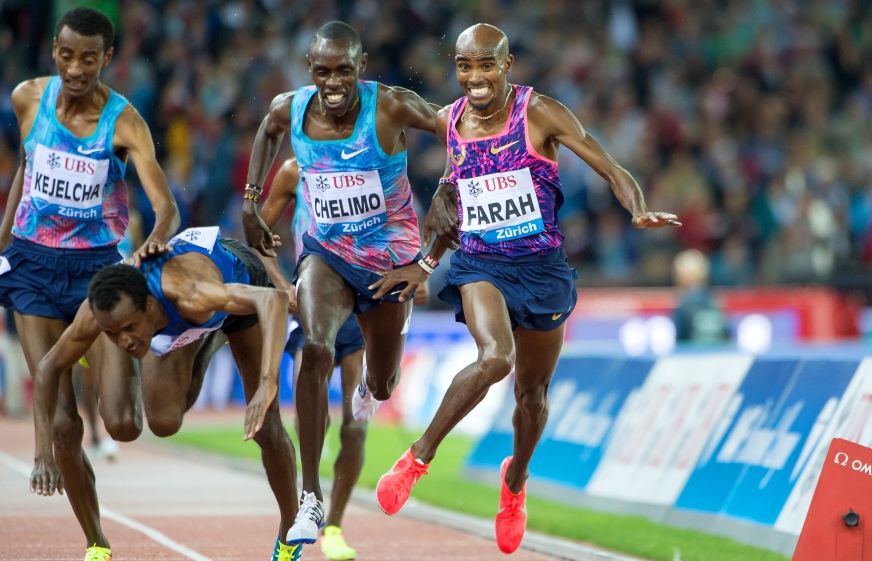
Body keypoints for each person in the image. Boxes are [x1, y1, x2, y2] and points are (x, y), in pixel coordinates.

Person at [372, 24, 681, 554]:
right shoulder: (450, 123)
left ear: (506, 65)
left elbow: (609, 166)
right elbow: (450, 209)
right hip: (481, 265)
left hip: (542, 271)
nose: (475, 77)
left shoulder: (539, 113)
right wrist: (426, 262)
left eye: (486, 65)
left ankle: (514, 484)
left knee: (532, 397)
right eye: (465, 66)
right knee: (496, 358)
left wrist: (637, 207)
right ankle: (416, 459)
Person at [0, 8, 180, 561]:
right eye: (65, 55)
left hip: (95, 274)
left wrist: (152, 239)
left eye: (88, 58)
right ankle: (97, 542)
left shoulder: (125, 121)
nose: (75, 68)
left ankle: (133, 357)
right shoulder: (27, 99)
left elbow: (167, 207)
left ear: (108, 59)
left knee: (124, 425)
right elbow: (26, 170)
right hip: (32, 266)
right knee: (61, 421)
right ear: (53, 51)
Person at [241, 21, 448, 545]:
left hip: (387, 264)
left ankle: (368, 388)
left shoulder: (391, 106)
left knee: (381, 384)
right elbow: (267, 129)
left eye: (344, 72)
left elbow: (460, 134)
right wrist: (250, 198)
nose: (332, 84)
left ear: (361, 66)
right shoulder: (292, 107)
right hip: (326, 256)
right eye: (322, 72)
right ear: (309, 70)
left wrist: (447, 190)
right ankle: (310, 498)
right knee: (314, 347)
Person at [28, 226, 303, 561]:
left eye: (131, 328)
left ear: (148, 305)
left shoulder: (191, 292)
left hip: (240, 281)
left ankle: (290, 535)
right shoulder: (99, 309)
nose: (125, 342)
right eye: (113, 334)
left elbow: (271, 300)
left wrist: (268, 382)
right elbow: (46, 369)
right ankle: (209, 336)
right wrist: (43, 452)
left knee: (265, 426)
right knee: (163, 421)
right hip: (186, 314)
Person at [257, 158, 370, 560]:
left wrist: (414, 270)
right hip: (313, 300)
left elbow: (398, 217)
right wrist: (281, 283)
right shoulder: (294, 170)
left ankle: (334, 527)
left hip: (362, 304)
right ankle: (300, 514)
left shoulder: (371, 156)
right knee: (312, 419)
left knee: (356, 424)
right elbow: (258, 233)